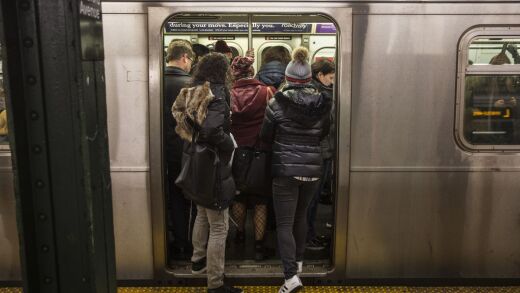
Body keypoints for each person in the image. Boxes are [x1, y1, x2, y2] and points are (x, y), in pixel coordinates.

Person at [260, 47, 331, 293]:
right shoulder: (323, 104)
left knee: (284, 223)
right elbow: (323, 133)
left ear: (288, 78)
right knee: (301, 217)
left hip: (286, 171)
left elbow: (265, 136)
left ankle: (290, 278)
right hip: (312, 170)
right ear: (309, 77)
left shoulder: (275, 103)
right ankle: (298, 265)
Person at [172, 52, 242, 293]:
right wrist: (229, 144)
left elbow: (184, 121)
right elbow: (212, 131)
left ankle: (197, 261)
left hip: (193, 160)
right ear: (223, 71)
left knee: (201, 212)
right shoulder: (218, 93)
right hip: (212, 164)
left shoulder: (192, 90)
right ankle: (216, 283)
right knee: (219, 225)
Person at [229, 56, 276, 261]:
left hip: (235, 152)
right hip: (260, 152)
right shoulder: (267, 92)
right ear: (252, 71)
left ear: (235, 73)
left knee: (239, 196)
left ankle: (239, 235)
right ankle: (259, 245)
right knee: (260, 200)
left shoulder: (228, 94)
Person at [163, 40, 195, 262]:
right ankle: (192, 243)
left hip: (163, 150)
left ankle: (177, 240)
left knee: (172, 197)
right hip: (188, 150)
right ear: (184, 57)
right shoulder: (192, 84)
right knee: (192, 197)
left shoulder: (155, 80)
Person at [306, 59, 335, 251]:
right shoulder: (320, 96)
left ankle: (309, 235)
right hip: (320, 153)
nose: (333, 81)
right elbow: (324, 126)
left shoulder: (321, 92)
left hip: (321, 151)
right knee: (311, 199)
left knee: (312, 199)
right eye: (331, 77)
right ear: (320, 76)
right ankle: (308, 237)